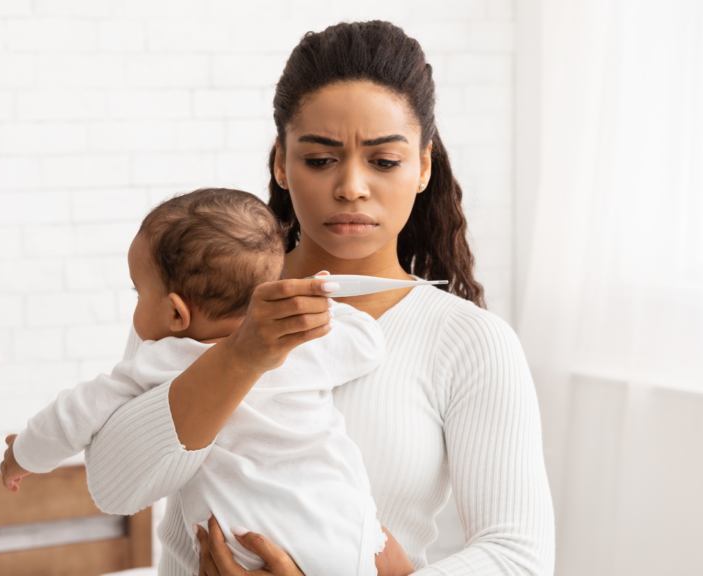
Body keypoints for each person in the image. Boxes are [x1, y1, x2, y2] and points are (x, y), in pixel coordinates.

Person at [84, 20, 556, 576]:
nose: (352, 186)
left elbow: (516, 558)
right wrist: (241, 355)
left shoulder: (470, 342)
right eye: (319, 159)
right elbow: (112, 488)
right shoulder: (193, 298)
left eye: (383, 161)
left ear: (423, 166)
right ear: (280, 163)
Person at [0, 188, 414, 576]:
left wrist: (23, 454)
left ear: (177, 314)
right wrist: (324, 304)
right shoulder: (304, 343)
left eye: (138, 292)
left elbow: (73, 414)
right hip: (344, 529)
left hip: (244, 547)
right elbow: (367, 343)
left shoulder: (163, 359)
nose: (136, 306)